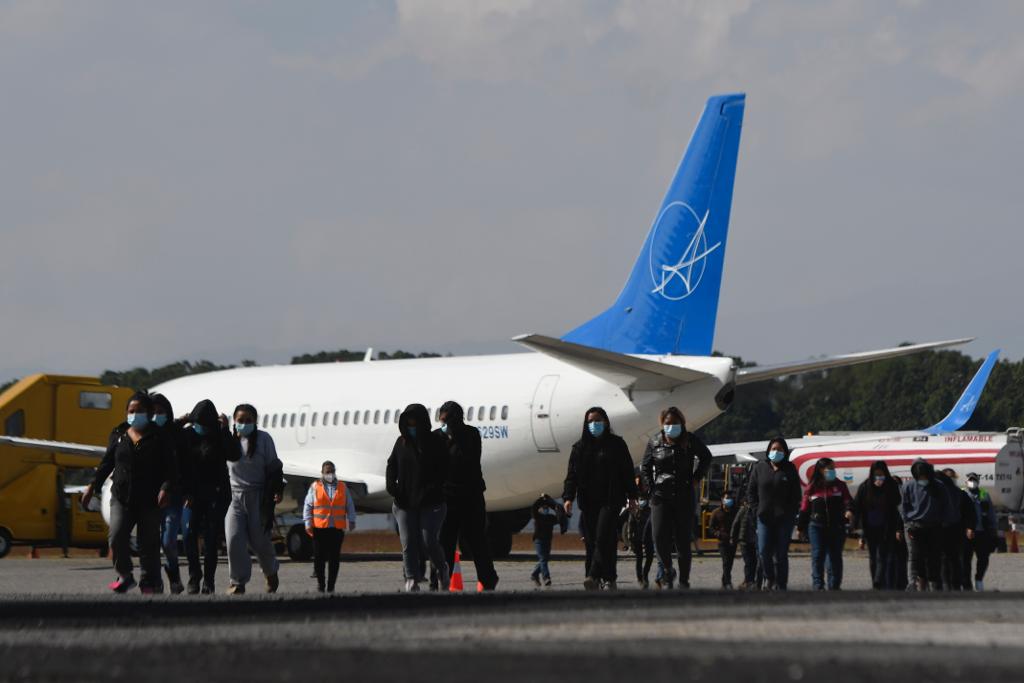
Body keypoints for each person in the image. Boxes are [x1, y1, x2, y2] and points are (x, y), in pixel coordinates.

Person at [81, 391, 177, 594]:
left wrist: (165, 488)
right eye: (131, 411)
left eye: (140, 411)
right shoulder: (119, 435)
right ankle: (124, 574)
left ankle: (149, 581)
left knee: (148, 543)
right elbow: (107, 463)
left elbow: (171, 468)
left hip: (150, 499)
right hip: (122, 496)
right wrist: (92, 487)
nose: (135, 415)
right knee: (116, 537)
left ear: (149, 414)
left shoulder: (160, 437)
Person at [563, 407, 638, 590]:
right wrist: (568, 498)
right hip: (588, 501)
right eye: (590, 421)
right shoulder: (579, 448)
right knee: (594, 542)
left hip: (611, 500)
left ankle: (593, 575)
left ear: (606, 422)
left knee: (602, 536)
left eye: (598, 420)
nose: (594, 424)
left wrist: (632, 497)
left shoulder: (617, 445)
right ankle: (608, 578)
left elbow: (627, 472)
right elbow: (571, 475)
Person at [639, 407, 711, 589]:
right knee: (659, 537)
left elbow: (706, 457)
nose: (672, 426)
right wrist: (651, 487)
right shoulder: (654, 441)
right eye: (668, 423)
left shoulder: (689, 440)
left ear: (682, 423)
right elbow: (645, 466)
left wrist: (696, 478)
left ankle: (684, 581)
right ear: (662, 424)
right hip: (660, 497)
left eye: (675, 423)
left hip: (684, 495)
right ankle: (668, 570)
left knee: (682, 541)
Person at [435, 401, 499, 591]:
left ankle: (488, 579)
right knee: (444, 542)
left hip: (470, 497)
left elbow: (465, 461)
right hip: (447, 499)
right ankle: (439, 580)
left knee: (477, 541)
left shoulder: (470, 435)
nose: (443, 424)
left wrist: (451, 438)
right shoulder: (437, 437)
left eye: (446, 420)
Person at [387, 404, 449, 592]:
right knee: (408, 542)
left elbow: (445, 469)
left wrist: (434, 488)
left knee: (428, 541)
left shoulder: (435, 443)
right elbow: (392, 466)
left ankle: (442, 568)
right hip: (405, 502)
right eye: (408, 423)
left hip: (430, 502)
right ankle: (411, 578)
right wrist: (393, 487)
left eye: (415, 423)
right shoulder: (401, 443)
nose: (411, 427)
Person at [224, 404, 284, 595]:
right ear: (234, 421)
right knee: (234, 538)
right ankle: (237, 582)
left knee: (260, 541)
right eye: (240, 420)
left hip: (258, 496)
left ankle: (270, 571)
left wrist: (276, 490)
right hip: (234, 497)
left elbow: (274, 467)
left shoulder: (264, 440)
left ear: (255, 422)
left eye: (248, 420)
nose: (244, 424)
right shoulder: (229, 441)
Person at [179, 399, 234, 594]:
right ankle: (195, 575)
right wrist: (180, 421)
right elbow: (171, 449)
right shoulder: (186, 436)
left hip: (215, 494)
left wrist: (226, 430)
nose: (201, 428)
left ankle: (208, 581)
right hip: (191, 495)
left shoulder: (219, 436)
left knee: (211, 539)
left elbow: (234, 454)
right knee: (188, 534)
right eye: (198, 423)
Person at [746, 438, 802, 591]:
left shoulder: (790, 469)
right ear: (768, 450)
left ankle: (781, 584)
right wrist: (756, 509)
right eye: (773, 449)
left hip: (784, 519)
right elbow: (751, 492)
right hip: (763, 518)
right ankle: (769, 578)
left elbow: (796, 495)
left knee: (781, 554)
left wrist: (790, 513)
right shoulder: (759, 467)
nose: (776, 452)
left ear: (785, 452)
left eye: (780, 450)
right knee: (764, 551)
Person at [149, 393, 187, 594]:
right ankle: (155, 580)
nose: (157, 416)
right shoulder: (143, 434)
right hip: (149, 497)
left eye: (160, 412)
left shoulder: (176, 434)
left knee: (169, 540)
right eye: (153, 413)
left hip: (173, 496)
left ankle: (173, 574)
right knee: (152, 542)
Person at [798, 458, 853, 590]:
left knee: (834, 557)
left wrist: (849, 511)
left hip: (836, 526)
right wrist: (800, 527)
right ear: (821, 470)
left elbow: (848, 501)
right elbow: (804, 508)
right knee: (817, 556)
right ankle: (818, 585)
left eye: (834, 468)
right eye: (830, 468)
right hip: (816, 526)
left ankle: (834, 585)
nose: (833, 471)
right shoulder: (811, 487)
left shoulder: (840, 485)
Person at [304, 460, 357, 593]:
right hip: (319, 528)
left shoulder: (342, 487)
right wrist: (307, 523)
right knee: (319, 559)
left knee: (334, 559)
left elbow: (349, 505)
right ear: (322, 473)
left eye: (332, 471)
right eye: (327, 472)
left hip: (336, 529)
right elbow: (308, 505)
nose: (330, 474)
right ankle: (321, 584)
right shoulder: (315, 487)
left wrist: (351, 520)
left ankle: (331, 586)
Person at [854, 461, 903, 590]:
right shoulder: (865, 486)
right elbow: (857, 505)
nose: (879, 477)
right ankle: (875, 580)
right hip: (870, 527)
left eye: (881, 474)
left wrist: (883, 490)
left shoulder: (891, 485)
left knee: (882, 555)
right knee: (873, 557)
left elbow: (897, 501)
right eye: (876, 475)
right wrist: (856, 526)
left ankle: (878, 581)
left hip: (886, 527)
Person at [900, 459, 947, 591]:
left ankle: (934, 584)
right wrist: (908, 524)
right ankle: (913, 582)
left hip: (934, 527)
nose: (922, 479)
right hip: (915, 526)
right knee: (914, 557)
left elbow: (946, 506)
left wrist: (942, 522)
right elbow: (904, 507)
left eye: (924, 476)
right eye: (919, 476)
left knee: (934, 557)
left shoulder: (938, 486)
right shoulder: (908, 486)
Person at [937, 468, 974, 591]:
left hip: (955, 530)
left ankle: (954, 585)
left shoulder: (958, 493)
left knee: (953, 559)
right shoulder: (953, 492)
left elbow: (969, 511)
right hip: (946, 530)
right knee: (948, 559)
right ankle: (949, 584)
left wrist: (969, 526)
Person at [962, 472, 997, 591]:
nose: (973, 482)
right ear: (966, 481)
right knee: (965, 560)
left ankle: (979, 579)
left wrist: (993, 530)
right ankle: (966, 584)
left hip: (982, 532)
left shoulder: (984, 494)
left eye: (975, 479)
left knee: (983, 559)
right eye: (970, 479)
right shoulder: (962, 494)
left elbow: (991, 513)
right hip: (966, 533)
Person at [529, 493, 566, 587]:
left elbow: (559, 514)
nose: (545, 509)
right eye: (543, 507)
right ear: (540, 509)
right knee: (543, 559)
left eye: (547, 508)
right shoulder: (537, 516)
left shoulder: (550, 518)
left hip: (548, 540)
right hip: (539, 541)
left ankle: (534, 574)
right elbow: (534, 507)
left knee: (544, 559)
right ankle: (546, 578)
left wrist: (552, 502)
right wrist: (541, 499)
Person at [708, 491, 738, 589]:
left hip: (733, 541)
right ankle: (728, 581)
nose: (729, 500)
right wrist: (718, 534)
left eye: (731, 498)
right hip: (722, 541)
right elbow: (711, 528)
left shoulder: (735, 512)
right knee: (726, 561)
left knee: (730, 562)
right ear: (722, 500)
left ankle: (724, 581)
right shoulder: (716, 512)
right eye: (727, 498)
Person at [891, 474, 910, 590]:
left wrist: (898, 529)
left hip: (901, 533)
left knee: (902, 560)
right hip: (887, 534)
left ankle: (902, 584)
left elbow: (901, 515)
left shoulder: (902, 498)